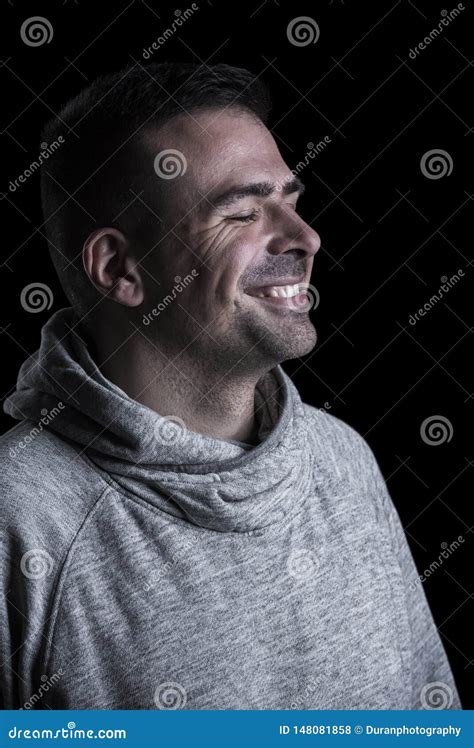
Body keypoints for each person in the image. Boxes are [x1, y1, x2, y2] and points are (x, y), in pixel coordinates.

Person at [0, 63, 461, 710]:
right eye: (243, 213)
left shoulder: (342, 460)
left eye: (291, 202)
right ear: (120, 268)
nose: (306, 238)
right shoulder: (16, 519)